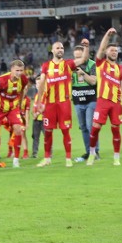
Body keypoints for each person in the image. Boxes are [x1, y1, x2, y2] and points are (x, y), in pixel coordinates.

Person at [33, 39, 89, 168]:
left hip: (64, 103)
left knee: (65, 131)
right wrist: (40, 101)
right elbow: (41, 84)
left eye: (62, 48)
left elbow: (84, 59)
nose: (60, 50)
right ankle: (47, 158)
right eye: (57, 48)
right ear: (52, 50)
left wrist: (86, 46)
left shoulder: (68, 64)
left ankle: (68, 158)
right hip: (50, 104)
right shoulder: (46, 66)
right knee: (48, 131)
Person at [86, 28, 122, 166]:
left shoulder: (120, 68)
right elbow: (101, 48)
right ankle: (92, 153)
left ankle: (116, 157)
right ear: (107, 52)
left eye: (116, 51)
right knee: (95, 128)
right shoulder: (100, 63)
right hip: (102, 101)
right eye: (112, 50)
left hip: (116, 103)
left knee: (116, 129)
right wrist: (107, 34)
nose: (114, 52)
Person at [71, 43, 99, 162]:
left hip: (91, 100)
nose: (77, 60)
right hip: (77, 100)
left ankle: (95, 151)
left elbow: (93, 81)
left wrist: (83, 73)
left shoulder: (92, 64)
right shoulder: (71, 66)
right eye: (76, 57)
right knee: (83, 127)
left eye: (79, 57)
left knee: (90, 125)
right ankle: (88, 152)